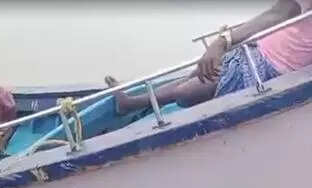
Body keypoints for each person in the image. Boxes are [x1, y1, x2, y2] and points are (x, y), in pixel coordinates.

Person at [107, 0, 312, 114]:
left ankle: (137, 103)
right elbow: (278, 12)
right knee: (195, 75)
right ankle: (132, 103)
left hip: (273, 69)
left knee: (186, 92)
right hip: (257, 48)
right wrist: (224, 40)